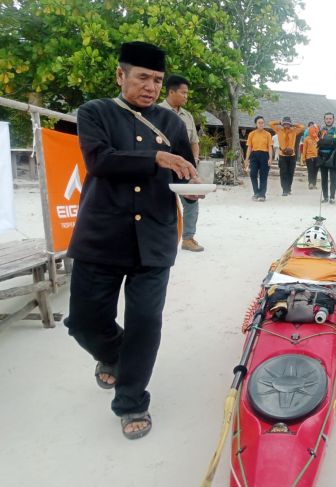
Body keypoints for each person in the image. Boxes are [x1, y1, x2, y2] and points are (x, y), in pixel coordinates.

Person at [64, 41, 198, 440]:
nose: (151, 87)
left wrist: (189, 187)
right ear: (121, 75)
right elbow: (99, 160)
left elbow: (179, 173)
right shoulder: (94, 113)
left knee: (144, 324)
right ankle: (113, 355)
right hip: (102, 236)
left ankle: (131, 400)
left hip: (154, 237)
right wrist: (156, 159)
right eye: (142, 77)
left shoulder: (171, 123)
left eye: (157, 80)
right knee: (84, 322)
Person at [159, 74, 204, 252]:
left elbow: (194, 141)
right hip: (161, 168)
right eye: (183, 93)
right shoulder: (156, 112)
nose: (186, 96)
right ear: (172, 92)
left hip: (185, 169)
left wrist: (194, 162)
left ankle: (188, 238)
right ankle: (161, 239)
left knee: (192, 201)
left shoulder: (188, 116)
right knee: (161, 202)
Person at [270, 116, 305, 196]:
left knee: (290, 173)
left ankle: (288, 189)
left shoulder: (294, 131)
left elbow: (302, 127)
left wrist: (294, 125)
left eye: (288, 123)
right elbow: (270, 124)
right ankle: (284, 190)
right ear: (283, 124)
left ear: (290, 124)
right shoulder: (279, 130)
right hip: (282, 155)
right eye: (284, 123)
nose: (286, 125)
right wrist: (279, 122)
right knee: (283, 173)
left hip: (292, 155)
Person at [244, 116, 273, 201]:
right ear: (256, 124)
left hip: (265, 155)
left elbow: (270, 147)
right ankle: (256, 192)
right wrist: (246, 159)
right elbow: (249, 147)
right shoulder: (251, 134)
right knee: (253, 174)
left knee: (263, 176)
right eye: (259, 123)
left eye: (262, 122)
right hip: (254, 155)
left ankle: (262, 195)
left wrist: (270, 158)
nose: (261, 124)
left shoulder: (268, 134)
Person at [317, 112, 336, 204]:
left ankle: (332, 197)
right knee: (324, 178)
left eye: (330, 118)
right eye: (327, 118)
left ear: (333, 119)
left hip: (333, 156)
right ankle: (325, 197)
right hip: (322, 156)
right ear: (324, 120)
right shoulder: (320, 131)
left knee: (333, 178)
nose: (328, 120)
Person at [302, 124, 320, 189]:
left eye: (315, 130)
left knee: (316, 171)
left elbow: (320, 147)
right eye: (313, 130)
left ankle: (314, 184)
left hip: (317, 157)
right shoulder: (307, 139)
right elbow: (304, 149)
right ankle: (310, 183)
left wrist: (317, 138)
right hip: (309, 157)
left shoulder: (318, 138)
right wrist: (303, 158)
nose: (314, 132)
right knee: (310, 171)